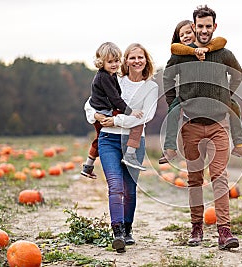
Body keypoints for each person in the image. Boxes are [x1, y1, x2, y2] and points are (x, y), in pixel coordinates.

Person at [163, 5, 242, 250]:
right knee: (195, 179)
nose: (205, 30)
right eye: (201, 26)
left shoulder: (224, 54)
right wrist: (175, 102)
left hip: (219, 125)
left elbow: (238, 74)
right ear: (194, 27)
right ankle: (197, 227)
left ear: (214, 27)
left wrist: (226, 97)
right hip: (191, 127)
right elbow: (167, 79)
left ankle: (224, 231)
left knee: (220, 176)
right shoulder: (181, 55)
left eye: (209, 26)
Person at [84, 43, 158, 253]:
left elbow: (147, 116)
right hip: (108, 140)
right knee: (115, 184)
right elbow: (90, 104)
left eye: (140, 57)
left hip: (134, 142)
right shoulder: (114, 78)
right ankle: (117, 233)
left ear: (146, 60)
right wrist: (97, 116)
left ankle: (127, 229)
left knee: (129, 188)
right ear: (126, 61)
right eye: (132, 57)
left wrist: (116, 121)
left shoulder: (151, 87)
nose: (136, 61)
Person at [159, 20, 242, 164]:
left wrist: (226, 94)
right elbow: (169, 69)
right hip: (188, 100)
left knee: (235, 107)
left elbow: (222, 41)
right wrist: (172, 99)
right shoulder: (180, 53)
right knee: (172, 111)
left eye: (188, 32)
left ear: (195, 30)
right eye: (182, 35)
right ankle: (170, 149)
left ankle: (239, 145)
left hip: (217, 99)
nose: (185, 36)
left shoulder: (214, 48)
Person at [81, 42, 146, 180]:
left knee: (99, 138)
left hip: (105, 109)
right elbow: (115, 98)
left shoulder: (112, 75)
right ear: (101, 62)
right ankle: (130, 154)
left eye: (116, 61)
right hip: (102, 110)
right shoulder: (104, 77)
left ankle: (88, 166)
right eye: (110, 62)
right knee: (135, 123)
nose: (114, 64)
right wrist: (130, 111)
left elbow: (118, 93)